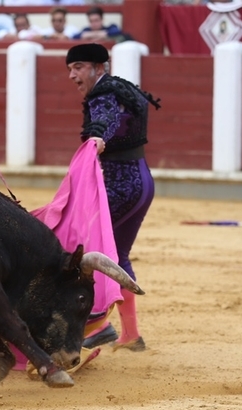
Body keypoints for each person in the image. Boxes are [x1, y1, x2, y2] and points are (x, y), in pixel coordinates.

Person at [66, 43, 160, 351]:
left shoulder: (102, 93)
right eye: (70, 68)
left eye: (78, 67)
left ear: (98, 67)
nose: (72, 75)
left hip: (121, 185)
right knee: (116, 255)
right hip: (141, 181)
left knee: (89, 252)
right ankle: (130, 334)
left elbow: (105, 117)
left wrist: (97, 135)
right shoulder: (120, 88)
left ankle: (99, 324)